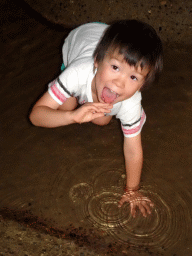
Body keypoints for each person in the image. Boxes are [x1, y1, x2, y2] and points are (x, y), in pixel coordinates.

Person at [29, 20, 163, 218]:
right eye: (115, 67)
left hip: (104, 44)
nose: (119, 82)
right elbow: (36, 116)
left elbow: (133, 150)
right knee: (66, 106)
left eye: (133, 77)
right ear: (97, 60)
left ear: (142, 85)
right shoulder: (76, 73)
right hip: (80, 37)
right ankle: (73, 96)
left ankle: (92, 96)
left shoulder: (131, 102)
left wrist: (132, 190)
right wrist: (72, 116)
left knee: (100, 119)